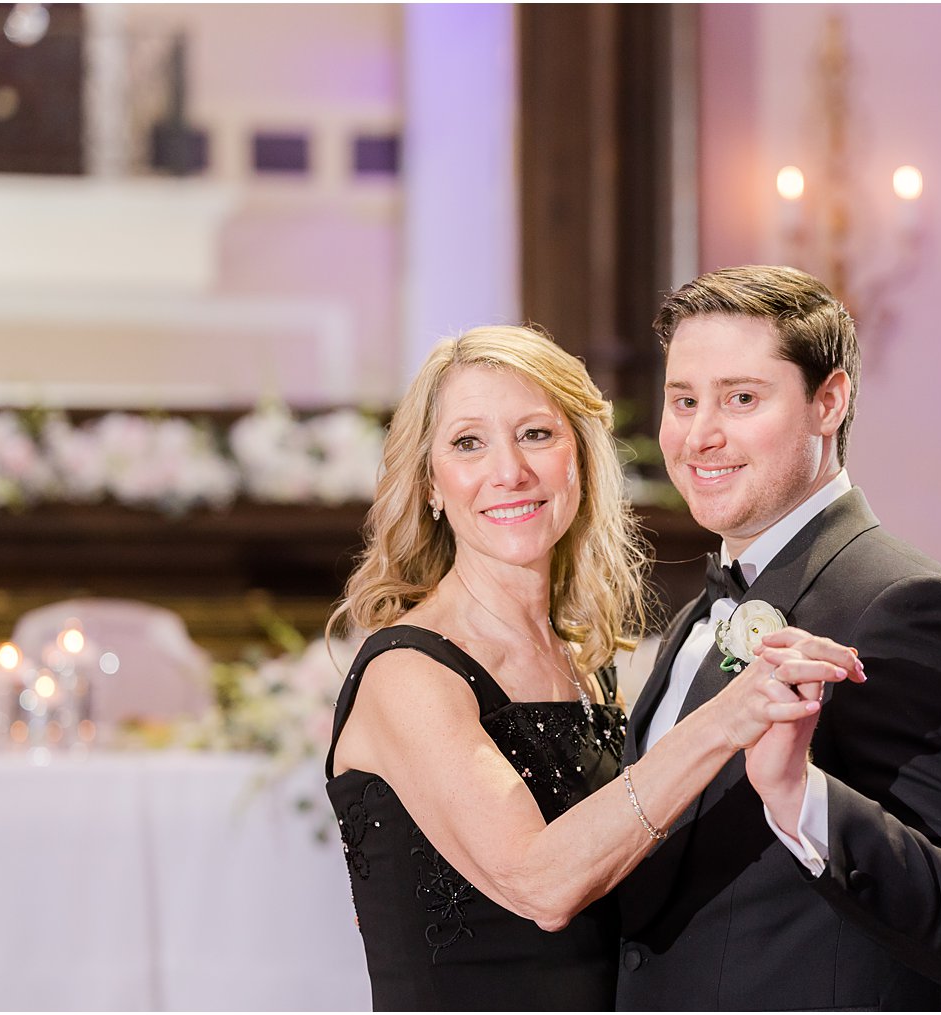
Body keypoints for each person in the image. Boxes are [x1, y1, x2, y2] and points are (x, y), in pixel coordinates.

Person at [323, 324, 861, 1010]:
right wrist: (728, 715)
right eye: (468, 443)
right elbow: (539, 885)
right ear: (431, 483)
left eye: (536, 434)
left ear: (579, 457)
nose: (509, 470)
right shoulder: (408, 672)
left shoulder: (581, 659)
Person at [614, 265, 941, 1010]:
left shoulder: (904, 605)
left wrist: (801, 795)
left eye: (741, 398)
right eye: (684, 400)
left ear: (827, 402)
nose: (701, 433)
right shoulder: (694, 615)